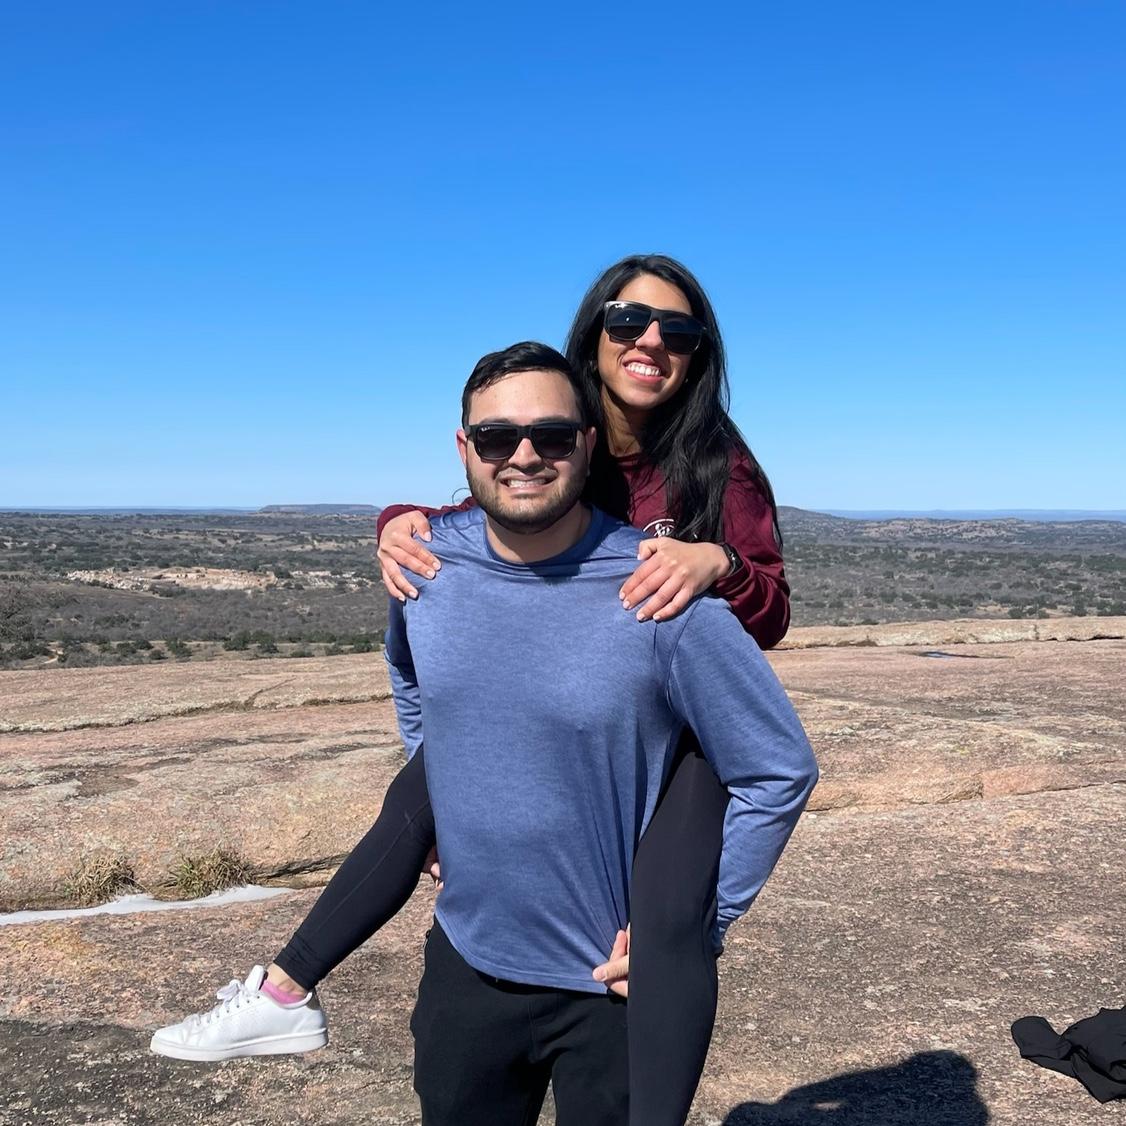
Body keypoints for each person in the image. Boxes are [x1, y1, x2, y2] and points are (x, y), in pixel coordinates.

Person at [152, 256, 795, 1125]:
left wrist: (713, 562)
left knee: (670, 914)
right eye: (628, 322)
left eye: (675, 331)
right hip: (482, 928)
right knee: (423, 788)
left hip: (676, 724)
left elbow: (772, 623)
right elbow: (470, 545)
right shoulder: (541, 413)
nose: (650, 341)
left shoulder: (716, 462)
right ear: (593, 337)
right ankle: (286, 989)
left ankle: (662, 964)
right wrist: (396, 527)